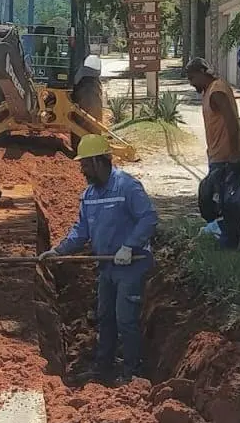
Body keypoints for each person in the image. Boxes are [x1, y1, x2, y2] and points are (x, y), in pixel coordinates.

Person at [40, 134, 158, 384]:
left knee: (125, 318)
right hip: (107, 266)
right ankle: (104, 368)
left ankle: (132, 372)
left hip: (131, 264)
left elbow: (148, 217)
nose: (81, 169)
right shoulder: (90, 196)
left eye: (84, 164)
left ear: (97, 161)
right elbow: (80, 231)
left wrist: (129, 246)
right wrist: (58, 251)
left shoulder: (127, 187)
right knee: (105, 317)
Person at [186, 57, 240, 173]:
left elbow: (232, 121)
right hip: (217, 156)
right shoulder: (209, 91)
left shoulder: (217, 91)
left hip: (226, 159)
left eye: (192, 78)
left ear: (202, 73)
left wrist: (234, 152)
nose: (191, 83)